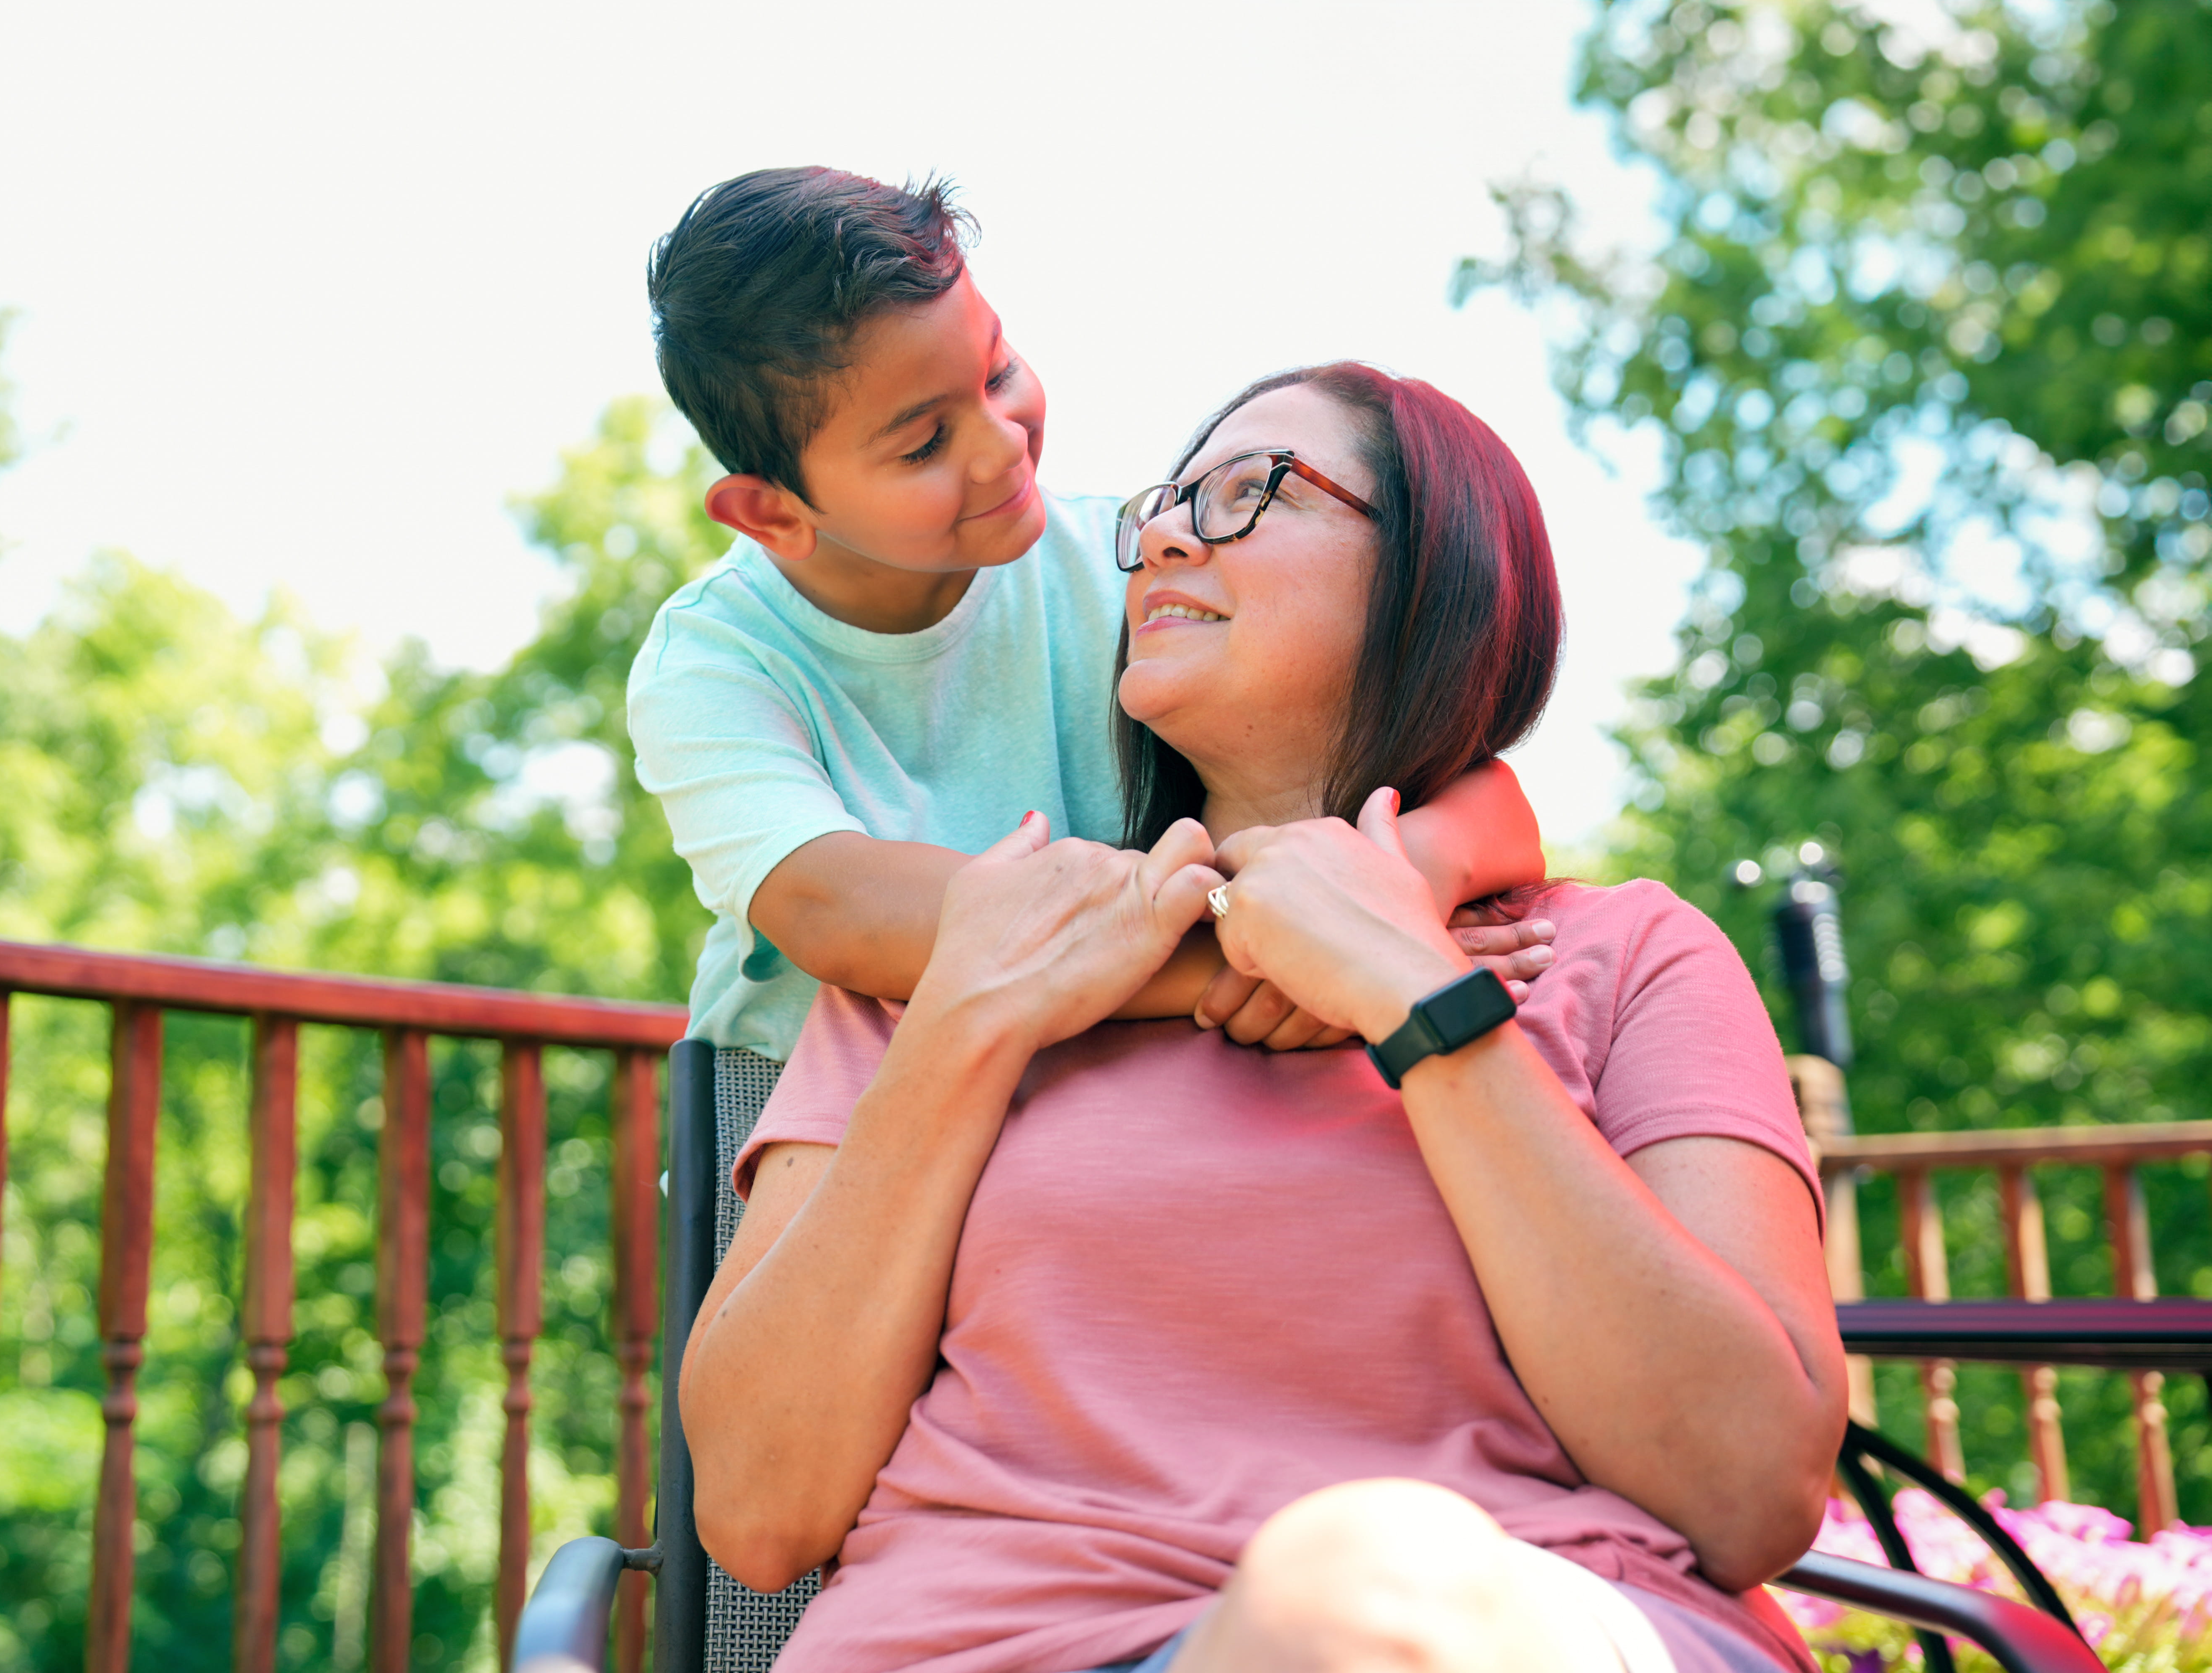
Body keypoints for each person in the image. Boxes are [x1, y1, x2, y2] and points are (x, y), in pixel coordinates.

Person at [680, 364, 1848, 1673]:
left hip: (1498, 1625)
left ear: (1434, 576)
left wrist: (1419, 1006)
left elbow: (1750, 1491)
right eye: (1168, 504)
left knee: (1359, 1599)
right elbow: (759, 1512)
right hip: (979, 1643)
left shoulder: (1622, 958)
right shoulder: (960, 965)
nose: (1170, 532)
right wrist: (969, 1027)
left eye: (1254, 493)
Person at [626, 169, 1554, 1071]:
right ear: (774, 514)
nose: (1003, 445)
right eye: (924, 443)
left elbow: (1487, 798)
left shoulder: (1142, 566)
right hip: (813, 1093)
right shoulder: (716, 661)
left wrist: (1402, 886)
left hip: (1081, 1068)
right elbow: (843, 909)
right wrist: (1275, 953)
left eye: (997, 374)